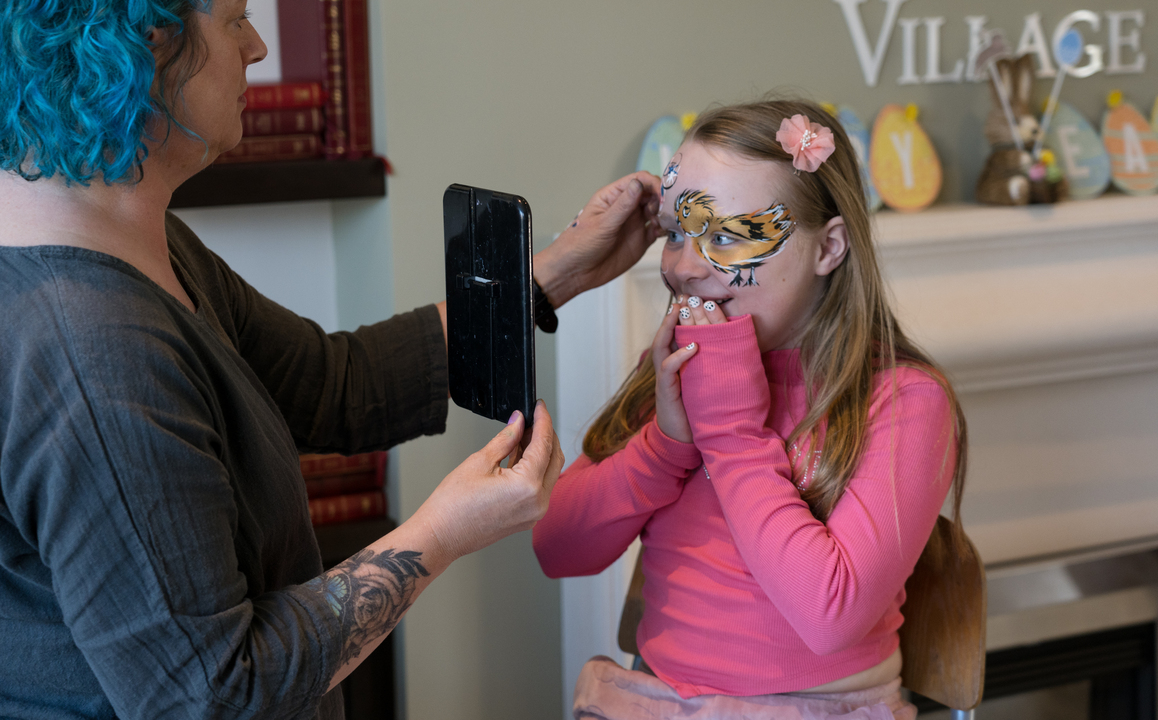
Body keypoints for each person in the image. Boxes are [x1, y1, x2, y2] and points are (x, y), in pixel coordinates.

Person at [0, 0, 662, 718]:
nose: (255, 46)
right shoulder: (93, 354)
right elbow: (214, 697)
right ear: (147, 44)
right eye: (233, 19)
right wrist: (439, 536)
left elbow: (332, 386)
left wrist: (557, 272)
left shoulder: (125, 237)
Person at [532, 99, 970, 719]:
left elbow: (829, 615)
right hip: (660, 698)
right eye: (677, 234)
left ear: (829, 249)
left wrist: (731, 434)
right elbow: (557, 548)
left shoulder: (905, 401)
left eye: (725, 236)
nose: (683, 269)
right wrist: (666, 444)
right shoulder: (675, 370)